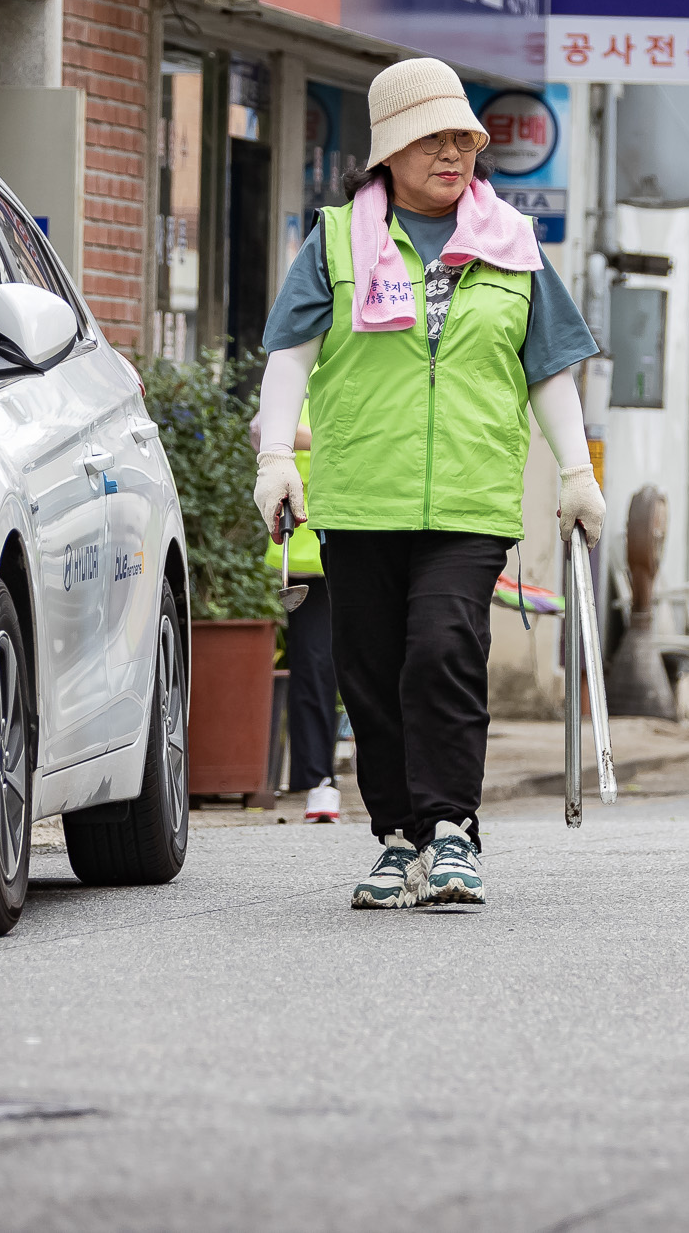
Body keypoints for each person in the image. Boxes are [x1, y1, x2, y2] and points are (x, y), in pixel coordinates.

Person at [252, 59, 604, 910]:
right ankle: (396, 836)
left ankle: (451, 830)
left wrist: (577, 472)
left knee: (442, 651)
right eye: (433, 138)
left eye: (463, 139)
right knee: (369, 671)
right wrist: (275, 460)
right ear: (389, 151)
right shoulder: (337, 240)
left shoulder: (512, 243)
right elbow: (289, 357)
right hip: (361, 493)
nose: (453, 153)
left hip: (469, 498)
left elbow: (547, 367)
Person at [258, 401, 340, 822]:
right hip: (309, 557)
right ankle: (318, 782)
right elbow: (263, 430)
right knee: (313, 666)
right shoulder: (302, 377)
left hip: (367, 541)